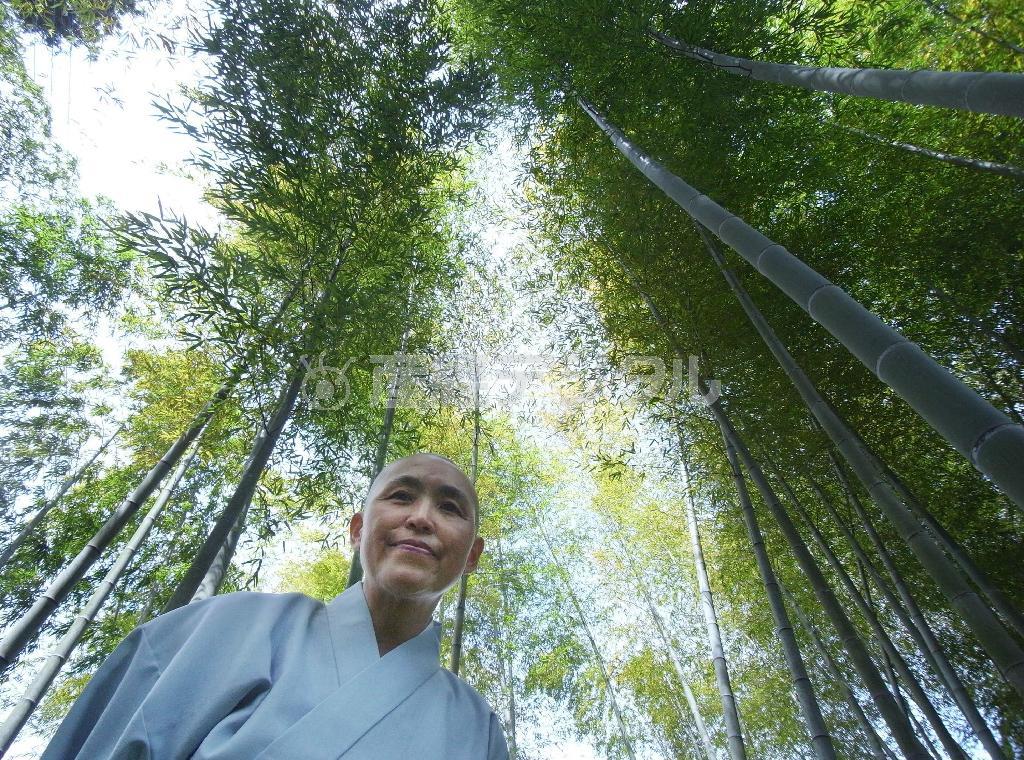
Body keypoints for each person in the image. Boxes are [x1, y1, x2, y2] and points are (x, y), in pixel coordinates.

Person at [42, 452, 509, 759]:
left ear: (471, 556)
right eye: (401, 497)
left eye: (450, 508)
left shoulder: (477, 729)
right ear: (357, 530)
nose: (421, 518)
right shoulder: (229, 626)